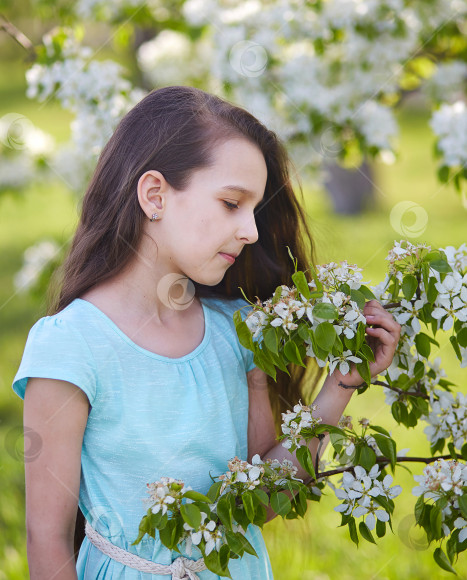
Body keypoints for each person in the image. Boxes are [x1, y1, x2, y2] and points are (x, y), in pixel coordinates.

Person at [12, 85, 401, 579]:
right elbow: (47, 540)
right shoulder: (71, 345)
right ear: (155, 195)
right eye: (231, 203)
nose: (251, 231)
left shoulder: (238, 332)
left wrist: (343, 382)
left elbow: (261, 500)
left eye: (254, 211)